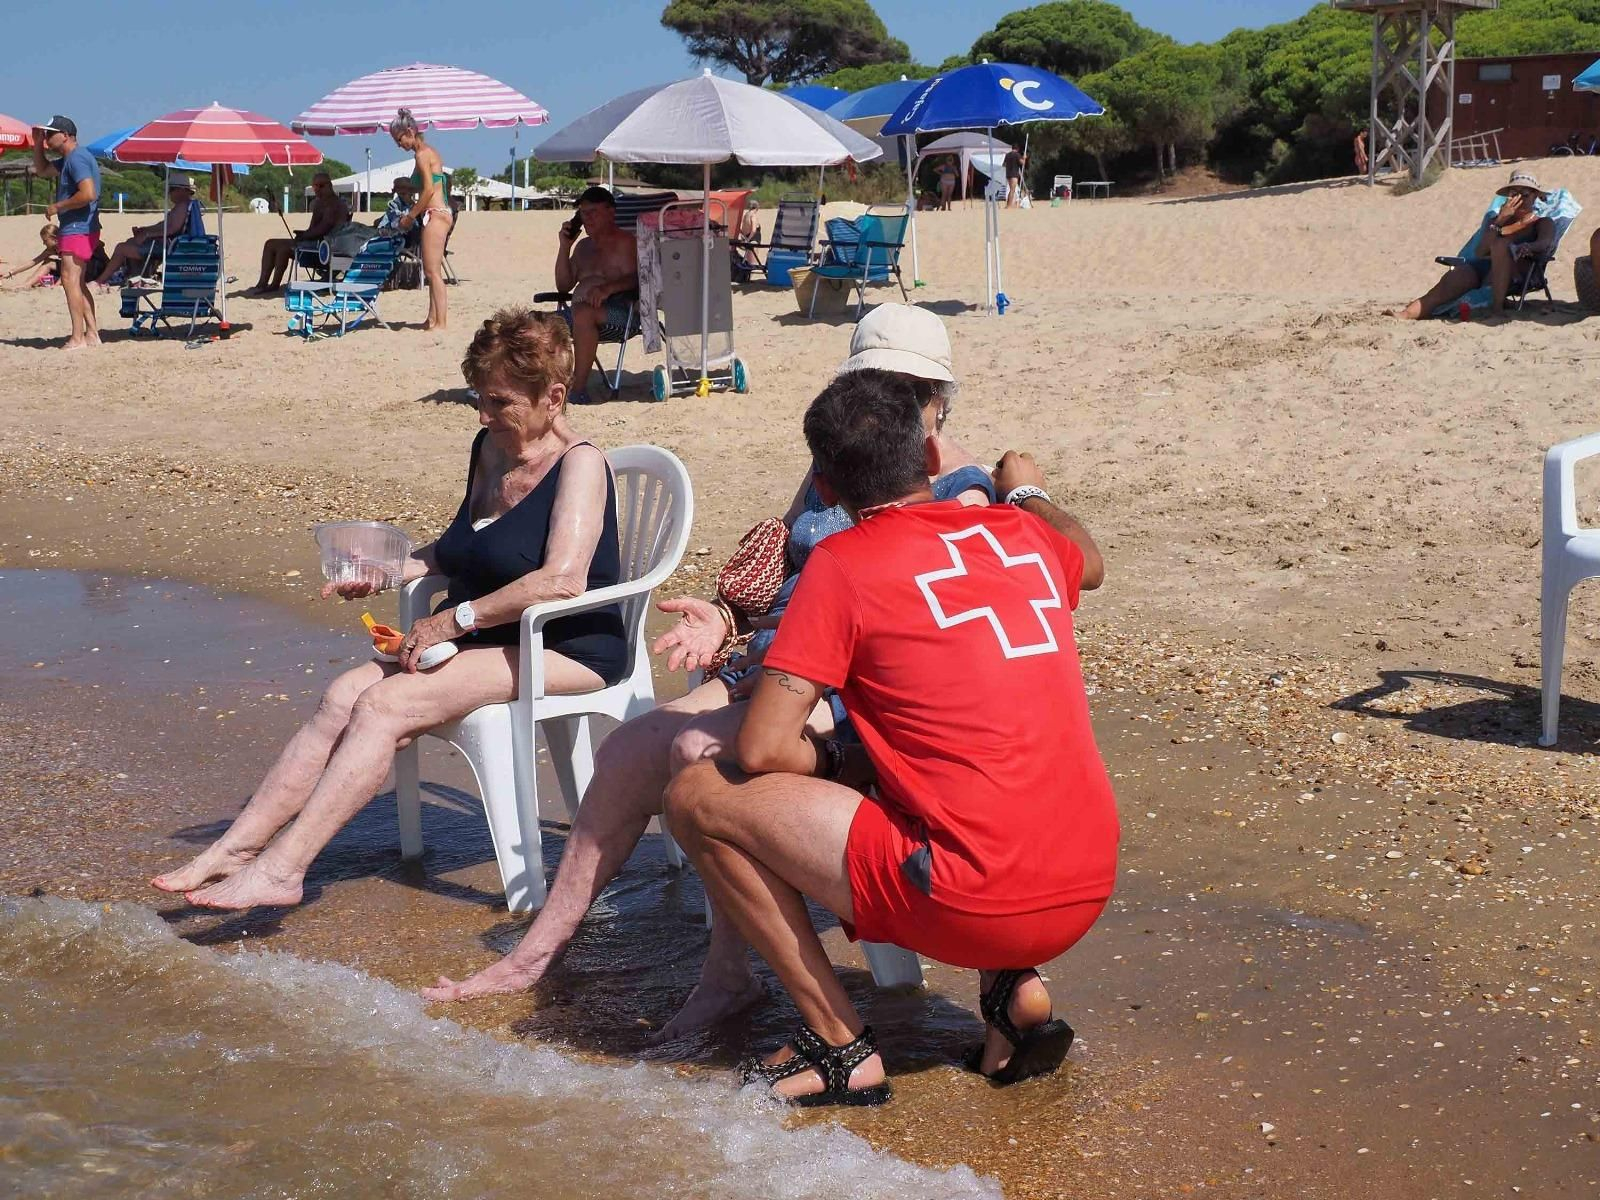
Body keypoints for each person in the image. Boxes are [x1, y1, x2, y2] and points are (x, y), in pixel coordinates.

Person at [420, 305, 996, 1009]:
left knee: (700, 754)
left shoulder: (958, 488)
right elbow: (785, 560)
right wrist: (725, 616)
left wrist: (801, 665)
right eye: (871, 382)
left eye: (904, 388)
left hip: (848, 689)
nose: (885, 401)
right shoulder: (839, 457)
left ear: (937, 401)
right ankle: (535, 954)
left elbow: (937, 634)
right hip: (771, 661)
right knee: (631, 747)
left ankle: (729, 975)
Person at [663, 369, 1117, 1106]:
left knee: (697, 795)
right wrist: (1026, 488)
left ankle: (840, 1046)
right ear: (933, 461)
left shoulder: (842, 563)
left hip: (974, 895)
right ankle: (1010, 989)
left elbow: (763, 749)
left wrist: (846, 759)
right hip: (1086, 879)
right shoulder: (1021, 533)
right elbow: (1089, 561)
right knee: (949, 771)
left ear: (828, 492)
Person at [150, 307, 628, 910]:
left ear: (553, 396)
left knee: (381, 706)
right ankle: (237, 849)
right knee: (341, 698)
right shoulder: (491, 447)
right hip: (488, 635)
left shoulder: (581, 464)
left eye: (500, 401)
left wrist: (450, 620)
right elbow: (464, 549)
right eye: (478, 398)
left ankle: (284, 870)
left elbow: (560, 583)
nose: (484, 415)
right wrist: (386, 570)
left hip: (565, 646)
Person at [1397, 170, 1557, 320]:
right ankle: (1406, 314)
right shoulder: (1497, 221)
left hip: (1516, 275)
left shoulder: (1542, 223)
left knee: (1501, 245)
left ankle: (1497, 308)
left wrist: (1528, 247)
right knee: (1458, 276)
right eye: (1514, 194)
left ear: (1535, 196)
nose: (1519, 200)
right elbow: (1480, 252)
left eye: (1525, 194)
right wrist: (1499, 220)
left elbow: (1545, 243)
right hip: (1485, 272)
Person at [554, 186, 638, 404]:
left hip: (621, 316)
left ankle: (578, 389)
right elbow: (563, 286)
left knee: (582, 314)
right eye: (583, 213)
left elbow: (638, 279)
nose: (588, 218)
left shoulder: (626, 243)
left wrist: (607, 289)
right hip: (581, 314)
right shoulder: (582, 248)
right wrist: (564, 247)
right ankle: (539, 385)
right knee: (534, 323)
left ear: (611, 212)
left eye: (594, 212)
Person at [30, 115, 100, 348]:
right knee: (77, 282)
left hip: (77, 228)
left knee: (70, 281)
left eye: (51, 134)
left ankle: (78, 337)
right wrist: (37, 143)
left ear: (66, 135)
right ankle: (91, 334)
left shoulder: (77, 158)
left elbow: (88, 193)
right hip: (80, 227)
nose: (48, 137)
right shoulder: (70, 159)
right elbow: (42, 170)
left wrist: (57, 206)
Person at [389, 109, 452, 331]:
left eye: (399, 139)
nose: (399, 145)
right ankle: (432, 319)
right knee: (430, 270)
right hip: (438, 213)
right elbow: (428, 184)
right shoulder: (426, 153)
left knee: (433, 272)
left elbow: (426, 192)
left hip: (435, 214)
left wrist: (410, 216)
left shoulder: (422, 154)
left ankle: (441, 322)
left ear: (409, 131)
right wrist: (403, 186)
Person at [246, 171, 349, 296]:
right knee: (270, 243)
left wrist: (304, 236)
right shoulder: (319, 204)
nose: (316, 190)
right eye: (314, 186)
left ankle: (274, 285)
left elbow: (323, 229)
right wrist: (303, 234)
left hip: (324, 250)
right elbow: (314, 228)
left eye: (320, 186)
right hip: (314, 243)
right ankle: (262, 283)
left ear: (329, 185)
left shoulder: (335, 205)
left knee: (284, 249)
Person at [91, 176, 198, 287]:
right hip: (172, 244)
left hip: (169, 247)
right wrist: (146, 230)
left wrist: (148, 234)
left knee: (121, 248)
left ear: (182, 190)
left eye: (171, 189)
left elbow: (172, 229)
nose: (169, 193)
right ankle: (130, 274)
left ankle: (100, 281)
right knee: (131, 241)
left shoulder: (182, 206)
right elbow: (165, 225)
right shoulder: (185, 206)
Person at [1, 225, 61, 289]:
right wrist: (11, 273)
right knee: (47, 262)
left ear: (55, 238)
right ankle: (27, 284)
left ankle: (27, 284)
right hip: (63, 271)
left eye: (45, 240)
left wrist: (57, 285)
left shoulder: (65, 247)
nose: (43, 243)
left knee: (50, 263)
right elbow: (33, 262)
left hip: (69, 273)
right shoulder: (50, 250)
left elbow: (70, 267)